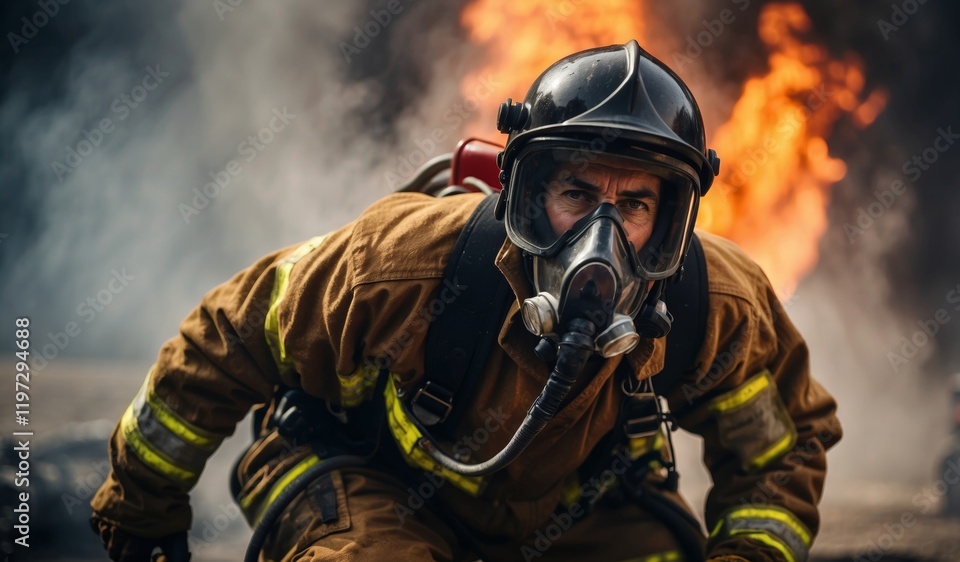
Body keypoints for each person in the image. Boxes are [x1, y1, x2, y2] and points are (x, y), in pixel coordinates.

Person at [90, 40, 841, 562]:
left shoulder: (716, 309)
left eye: (634, 205)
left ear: (669, 218)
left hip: (559, 511)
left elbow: (783, 449)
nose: (603, 236)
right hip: (366, 477)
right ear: (527, 192)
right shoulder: (402, 264)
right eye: (578, 193)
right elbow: (230, 334)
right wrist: (144, 506)